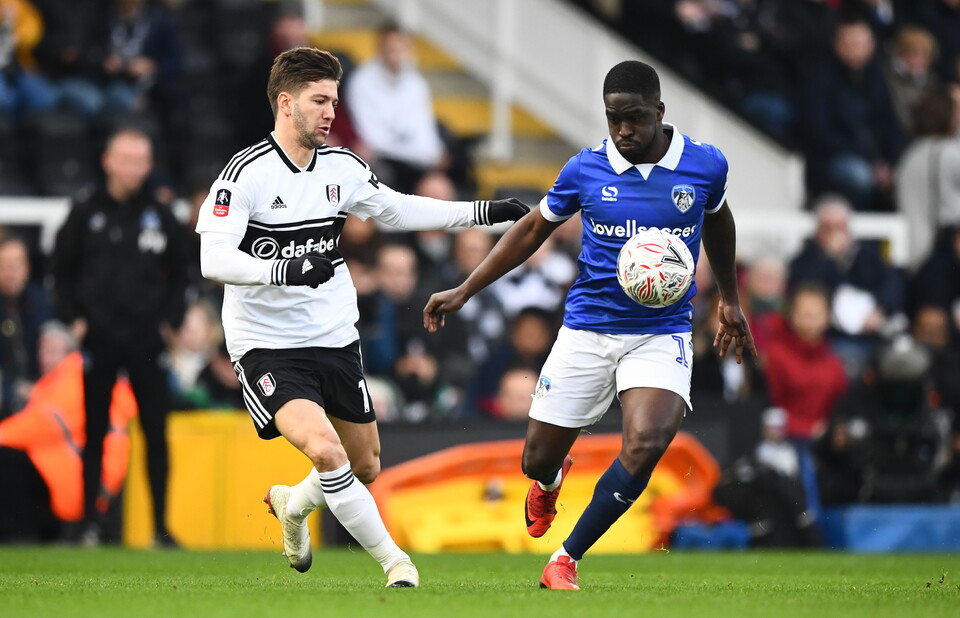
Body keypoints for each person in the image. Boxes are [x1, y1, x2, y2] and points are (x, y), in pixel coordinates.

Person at [194, 47, 528, 588]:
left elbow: (395, 209)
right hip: (265, 343)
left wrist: (481, 212)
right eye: (319, 100)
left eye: (334, 100)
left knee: (364, 464)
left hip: (332, 335)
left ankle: (292, 505)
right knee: (325, 449)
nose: (331, 112)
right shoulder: (244, 174)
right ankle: (397, 564)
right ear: (285, 102)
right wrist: (284, 267)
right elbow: (215, 259)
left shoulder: (341, 167)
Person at [424, 60, 755, 590]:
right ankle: (551, 481)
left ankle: (566, 558)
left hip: (661, 330)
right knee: (536, 459)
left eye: (635, 118)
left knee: (647, 442)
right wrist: (465, 289)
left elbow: (718, 217)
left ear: (659, 112)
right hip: (588, 329)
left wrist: (730, 301)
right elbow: (534, 227)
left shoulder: (704, 165)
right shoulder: (586, 168)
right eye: (613, 119)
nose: (623, 130)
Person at [51, 127, 189, 546]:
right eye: (125, 159)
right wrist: (73, 319)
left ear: (149, 165)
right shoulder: (84, 211)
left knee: (156, 434)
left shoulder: (161, 214)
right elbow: (60, 272)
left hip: (147, 338)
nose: (133, 168)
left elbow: (183, 273)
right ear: (108, 161)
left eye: (140, 160)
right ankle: (90, 524)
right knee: (93, 432)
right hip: (99, 337)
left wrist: (171, 321)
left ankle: (161, 528)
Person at [345, 23, 445, 194]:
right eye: (392, 48)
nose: (398, 54)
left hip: (415, 163)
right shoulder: (362, 82)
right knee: (366, 186)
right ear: (380, 49)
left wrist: (434, 154)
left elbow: (425, 130)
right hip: (383, 162)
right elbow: (373, 139)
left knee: (438, 188)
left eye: (402, 48)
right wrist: (421, 153)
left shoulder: (416, 83)